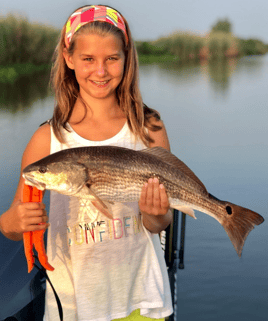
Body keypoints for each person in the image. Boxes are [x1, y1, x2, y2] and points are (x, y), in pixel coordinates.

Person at [0, 5, 173, 321]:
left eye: (112, 58)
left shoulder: (150, 129)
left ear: (126, 57)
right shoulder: (45, 140)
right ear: (69, 58)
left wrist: (157, 214)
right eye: (88, 59)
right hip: (75, 303)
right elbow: (11, 228)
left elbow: (159, 225)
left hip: (142, 297)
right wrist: (16, 218)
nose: (101, 70)